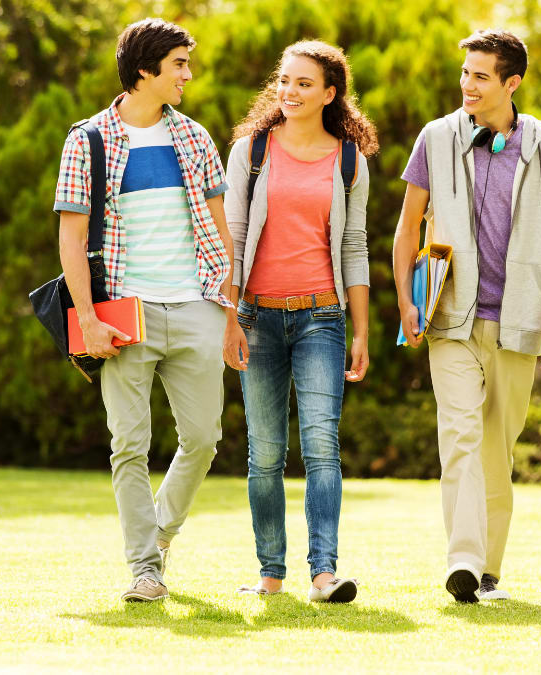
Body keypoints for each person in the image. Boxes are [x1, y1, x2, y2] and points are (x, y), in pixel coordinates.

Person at [391, 29, 541, 603]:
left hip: (517, 319)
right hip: (450, 315)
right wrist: (405, 301)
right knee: (461, 438)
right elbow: (407, 227)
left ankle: (489, 567)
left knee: (497, 448)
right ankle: (464, 562)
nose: (466, 85)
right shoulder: (435, 138)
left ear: (511, 82)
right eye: (465, 74)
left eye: (480, 76)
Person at [53, 18, 236, 603]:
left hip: (195, 304)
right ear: (144, 70)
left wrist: (229, 309)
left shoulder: (196, 138)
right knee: (128, 444)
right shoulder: (89, 140)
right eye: (179, 64)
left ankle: (158, 537)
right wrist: (87, 318)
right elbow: (71, 239)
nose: (188, 74)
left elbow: (221, 227)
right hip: (122, 312)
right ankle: (144, 569)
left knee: (204, 436)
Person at [222, 40, 375, 603]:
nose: (290, 91)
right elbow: (232, 241)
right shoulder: (250, 152)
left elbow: (355, 248)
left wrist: (361, 330)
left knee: (321, 449)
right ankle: (270, 572)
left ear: (330, 93)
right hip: (256, 317)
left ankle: (324, 573)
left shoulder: (350, 161)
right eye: (284, 80)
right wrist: (229, 318)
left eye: (304, 83)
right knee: (263, 454)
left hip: (322, 318)